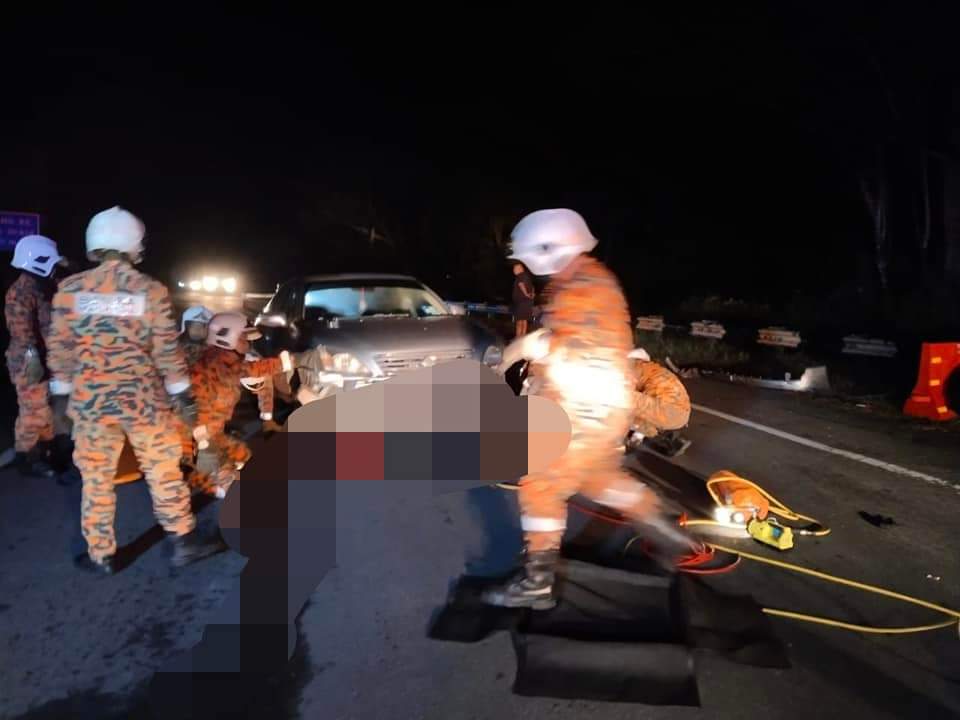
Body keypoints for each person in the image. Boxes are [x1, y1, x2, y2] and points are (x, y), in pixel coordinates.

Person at [484, 209, 696, 609]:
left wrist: (526, 349)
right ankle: (667, 533)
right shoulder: (589, 278)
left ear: (549, 249)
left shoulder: (581, 288)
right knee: (598, 477)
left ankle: (537, 583)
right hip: (605, 405)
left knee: (541, 482)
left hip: (585, 407)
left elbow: (577, 348)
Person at [46, 206, 225, 574]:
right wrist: (183, 398)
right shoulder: (151, 290)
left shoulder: (69, 290)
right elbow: (167, 353)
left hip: (91, 406)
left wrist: (61, 400)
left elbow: (60, 352)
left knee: (96, 480)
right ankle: (184, 543)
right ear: (133, 243)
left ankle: (101, 556)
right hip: (145, 405)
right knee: (163, 472)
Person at [188, 312, 318, 498]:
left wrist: (287, 363)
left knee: (238, 456)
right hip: (199, 432)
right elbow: (253, 369)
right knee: (214, 467)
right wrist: (202, 439)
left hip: (212, 430)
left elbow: (254, 371)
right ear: (226, 338)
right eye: (243, 339)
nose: (248, 343)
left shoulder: (225, 360)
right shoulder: (216, 365)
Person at [3, 235, 64, 477]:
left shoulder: (39, 286)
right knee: (33, 411)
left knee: (44, 408)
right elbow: (21, 332)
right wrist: (33, 362)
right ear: (39, 260)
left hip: (41, 358)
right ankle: (26, 458)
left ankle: (45, 450)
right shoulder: (20, 291)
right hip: (29, 361)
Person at [625, 348, 693, 457]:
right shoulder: (656, 371)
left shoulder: (635, 369)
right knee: (643, 409)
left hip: (664, 409)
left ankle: (625, 441)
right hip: (682, 415)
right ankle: (673, 440)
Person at [511, 261, 535, 337]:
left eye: (515, 269)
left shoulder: (520, 276)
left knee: (519, 321)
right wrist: (532, 294)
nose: (514, 270)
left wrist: (526, 294)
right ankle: (522, 337)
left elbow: (521, 284)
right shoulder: (526, 276)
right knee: (524, 320)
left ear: (520, 269)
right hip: (527, 302)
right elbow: (532, 287)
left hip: (521, 302)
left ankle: (518, 338)